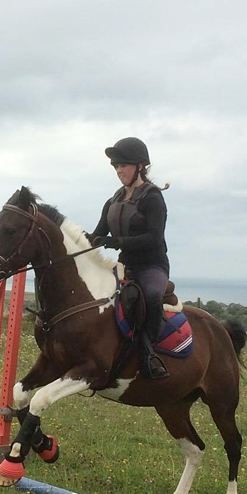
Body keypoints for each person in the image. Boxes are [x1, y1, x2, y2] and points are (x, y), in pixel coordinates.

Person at [87, 136, 171, 380]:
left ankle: (149, 355)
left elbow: (154, 238)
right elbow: (97, 234)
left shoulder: (153, 198)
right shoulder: (113, 200)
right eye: (116, 166)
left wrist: (117, 242)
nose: (118, 170)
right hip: (125, 265)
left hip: (151, 266)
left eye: (123, 165)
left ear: (140, 166)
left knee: (152, 296)